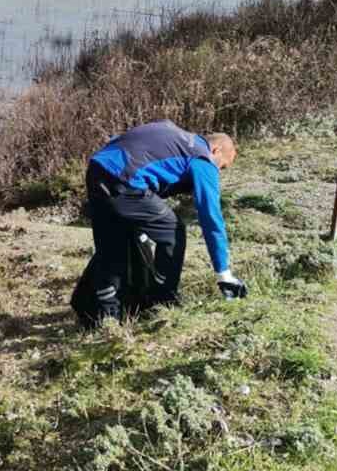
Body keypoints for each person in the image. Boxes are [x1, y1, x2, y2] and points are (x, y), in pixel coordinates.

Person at [81, 120, 247, 322]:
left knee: (113, 247)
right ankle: (163, 299)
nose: (219, 172)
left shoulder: (173, 132)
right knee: (173, 229)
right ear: (216, 149)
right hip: (124, 180)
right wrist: (223, 273)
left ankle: (104, 316)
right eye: (223, 166)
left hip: (98, 169)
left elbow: (123, 141)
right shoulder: (202, 157)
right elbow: (211, 217)